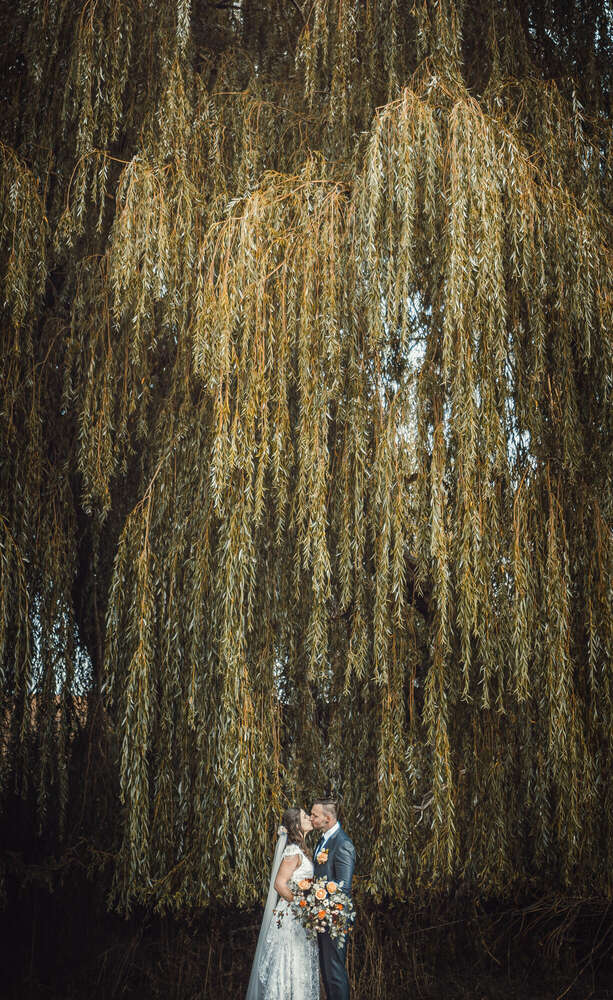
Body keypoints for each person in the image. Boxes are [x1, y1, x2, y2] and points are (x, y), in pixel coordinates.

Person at [245, 807, 319, 1000]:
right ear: (296, 825)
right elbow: (279, 884)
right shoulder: (293, 851)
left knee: (299, 966)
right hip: (291, 918)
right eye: (305, 816)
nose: (310, 818)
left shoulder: (301, 849)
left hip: (299, 919)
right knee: (289, 965)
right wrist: (302, 905)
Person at [310, 798, 356, 1000]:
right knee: (327, 972)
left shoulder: (343, 843)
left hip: (335, 917)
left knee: (335, 972)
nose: (311, 818)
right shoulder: (324, 839)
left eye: (314, 815)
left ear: (327, 818)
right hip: (322, 916)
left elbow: (343, 887)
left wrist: (318, 900)